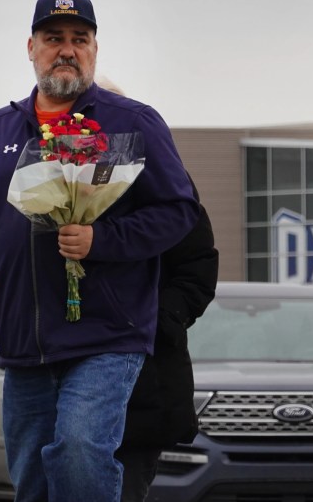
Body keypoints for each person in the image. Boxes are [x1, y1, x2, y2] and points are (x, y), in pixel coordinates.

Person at [0, 0, 198, 502]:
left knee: (80, 449)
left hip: (108, 335)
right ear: (31, 47)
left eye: (79, 39)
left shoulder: (132, 122)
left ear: (94, 48)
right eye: (53, 39)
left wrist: (102, 239)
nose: (66, 50)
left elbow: (179, 212)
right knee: (33, 482)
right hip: (22, 339)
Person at [116, 177, 218, 502]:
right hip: (53, 373)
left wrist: (153, 322)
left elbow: (197, 267)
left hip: (142, 382)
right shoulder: (40, 157)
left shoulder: (157, 168)